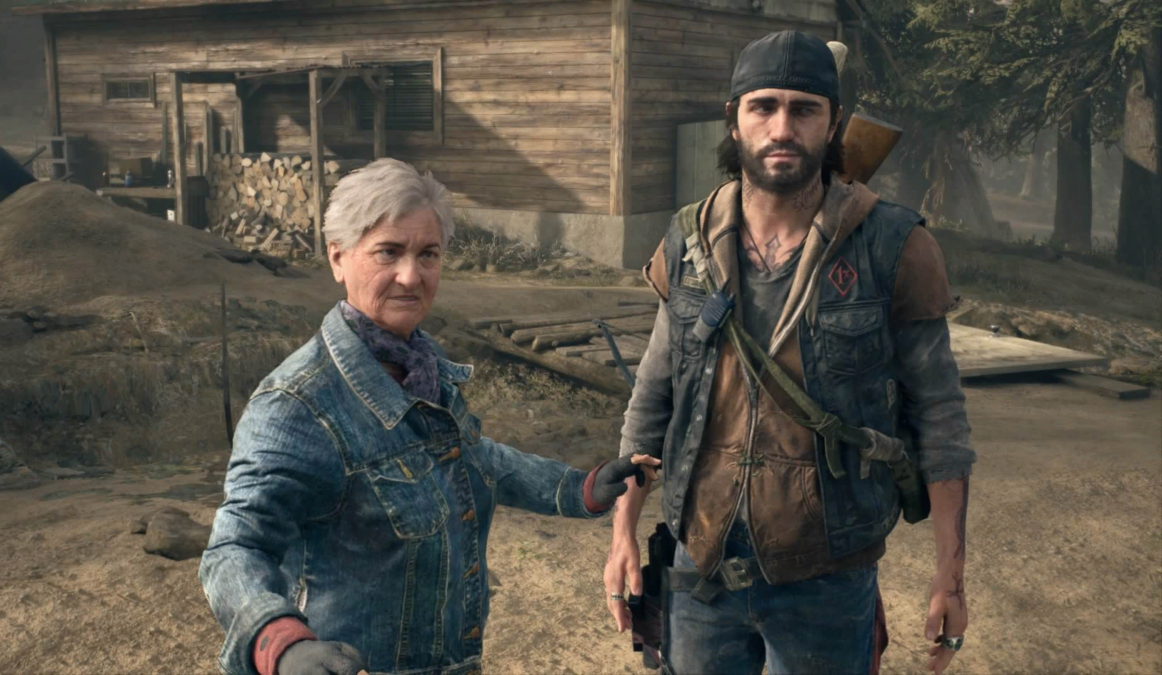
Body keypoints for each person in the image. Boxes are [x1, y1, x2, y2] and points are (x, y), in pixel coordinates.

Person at [602, 30, 976, 675]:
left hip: (827, 578)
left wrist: (952, 577)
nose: (782, 128)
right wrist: (622, 533)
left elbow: (940, 419)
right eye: (764, 107)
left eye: (804, 109)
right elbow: (654, 397)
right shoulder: (688, 241)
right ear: (735, 119)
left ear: (834, 124)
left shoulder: (893, 246)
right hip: (701, 564)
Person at [199, 158, 661, 675]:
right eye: (388, 252)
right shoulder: (297, 403)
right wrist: (280, 644)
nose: (410, 276)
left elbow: (472, 458)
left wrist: (580, 488)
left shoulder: (423, 367)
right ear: (337, 257)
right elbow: (235, 547)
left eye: (428, 254)